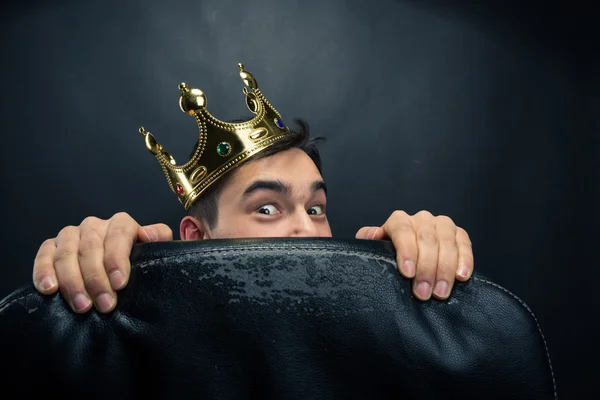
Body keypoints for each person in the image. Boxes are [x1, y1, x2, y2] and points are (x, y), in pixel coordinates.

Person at [31, 64, 474, 314]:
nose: (308, 230)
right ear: (195, 236)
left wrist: (425, 288)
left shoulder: (375, 324)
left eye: (316, 208)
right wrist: (85, 268)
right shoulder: (149, 337)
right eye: (267, 209)